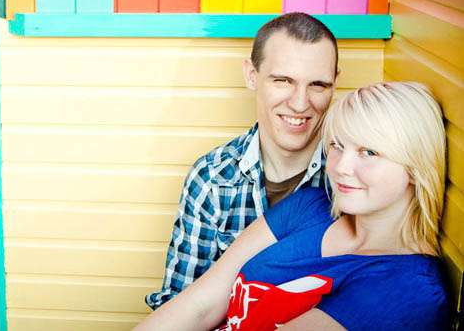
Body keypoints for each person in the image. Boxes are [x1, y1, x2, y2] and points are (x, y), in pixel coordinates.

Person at [135, 81, 449, 330]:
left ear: (415, 166)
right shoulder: (309, 206)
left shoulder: (409, 289)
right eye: (337, 146)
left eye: (369, 152)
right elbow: (201, 304)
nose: (340, 167)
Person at [147, 13, 339, 309]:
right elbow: (178, 303)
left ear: (335, 84)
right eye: (283, 81)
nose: (300, 103)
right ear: (251, 75)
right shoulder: (212, 179)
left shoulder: (349, 178)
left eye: (318, 85)